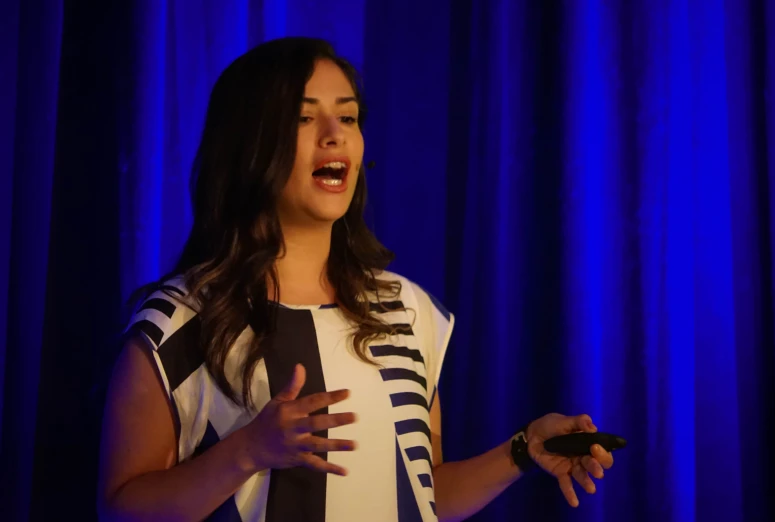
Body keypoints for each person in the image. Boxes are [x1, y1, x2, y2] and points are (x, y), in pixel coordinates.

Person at [97, 37, 615, 522]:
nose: (335, 133)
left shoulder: (406, 310)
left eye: (348, 116)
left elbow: (425, 491)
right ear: (250, 146)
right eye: (304, 117)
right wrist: (246, 451)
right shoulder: (181, 320)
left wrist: (522, 450)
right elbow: (120, 507)